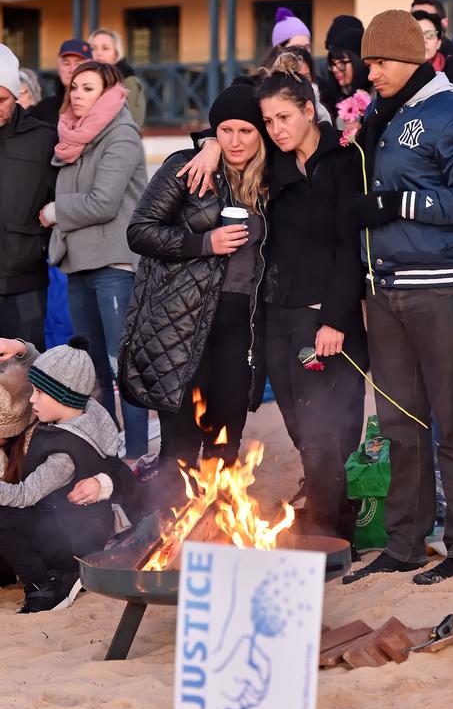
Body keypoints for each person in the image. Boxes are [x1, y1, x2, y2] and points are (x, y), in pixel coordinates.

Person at [341, 10, 453, 585]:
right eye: (368, 62)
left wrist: (396, 205)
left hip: (439, 289)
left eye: (379, 62)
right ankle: (405, 541)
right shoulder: (385, 113)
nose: (370, 73)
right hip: (384, 289)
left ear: (410, 60)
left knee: (451, 420)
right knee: (399, 423)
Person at [121, 79, 268, 497]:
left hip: (241, 329)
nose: (236, 140)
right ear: (214, 131)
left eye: (246, 131)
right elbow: (140, 231)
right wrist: (204, 243)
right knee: (181, 445)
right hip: (182, 325)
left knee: (227, 441)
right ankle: (171, 539)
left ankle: (220, 532)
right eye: (225, 130)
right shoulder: (188, 167)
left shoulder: (268, 182)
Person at [255, 52, 367, 540]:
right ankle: (340, 527)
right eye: (268, 121)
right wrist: (210, 148)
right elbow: (226, 127)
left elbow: (352, 246)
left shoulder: (344, 160)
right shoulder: (271, 166)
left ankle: (322, 539)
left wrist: (337, 319)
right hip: (278, 317)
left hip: (327, 318)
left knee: (328, 433)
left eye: (284, 117)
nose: (276, 128)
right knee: (304, 432)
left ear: (308, 109)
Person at [38, 60, 148, 460]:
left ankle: (136, 455)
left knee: (125, 370)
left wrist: (54, 213)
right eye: (75, 88)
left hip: (113, 266)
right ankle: (108, 453)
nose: (78, 95)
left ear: (108, 93)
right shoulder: (73, 139)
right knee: (94, 370)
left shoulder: (120, 135)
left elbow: (103, 202)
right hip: (79, 265)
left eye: (89, 88)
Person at [0, 335, 128, 612]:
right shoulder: (85, 410)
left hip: (67, 544)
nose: (31, 398)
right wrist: (21, 349)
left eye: (38, 393)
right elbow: (51, 374)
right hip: (66, 527)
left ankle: (47, 584)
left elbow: (23, 495)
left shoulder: (63, 456)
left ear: (60, 395)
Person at [0, 44, 56, 351]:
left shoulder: (43, 139)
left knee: (23, 376)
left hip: (27, 282)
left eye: (2, 99)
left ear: (17, 94)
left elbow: (61, 194)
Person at [89, 27, 147, 132]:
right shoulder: (86, 83)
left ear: (116, 54)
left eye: (105, 48)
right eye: (93, 48)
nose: (98, 53)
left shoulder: (129, 82)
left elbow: (134, 124)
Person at [31, 38, 92, 126]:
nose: (71, 70)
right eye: (66, 63)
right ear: (58, 67)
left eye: (78, 64)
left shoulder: (102, 107)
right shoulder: (44, 109)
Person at [411, 11, 453, 100]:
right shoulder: (396, 71)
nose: (423, 40)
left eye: (430, 35)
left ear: (438, 43)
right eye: (417, 35)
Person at [320, 23, 372, 123]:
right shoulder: (332, 98)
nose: (335, 69)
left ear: (359, 62)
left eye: (342, 62)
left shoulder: (376, 98)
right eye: (333, 63)